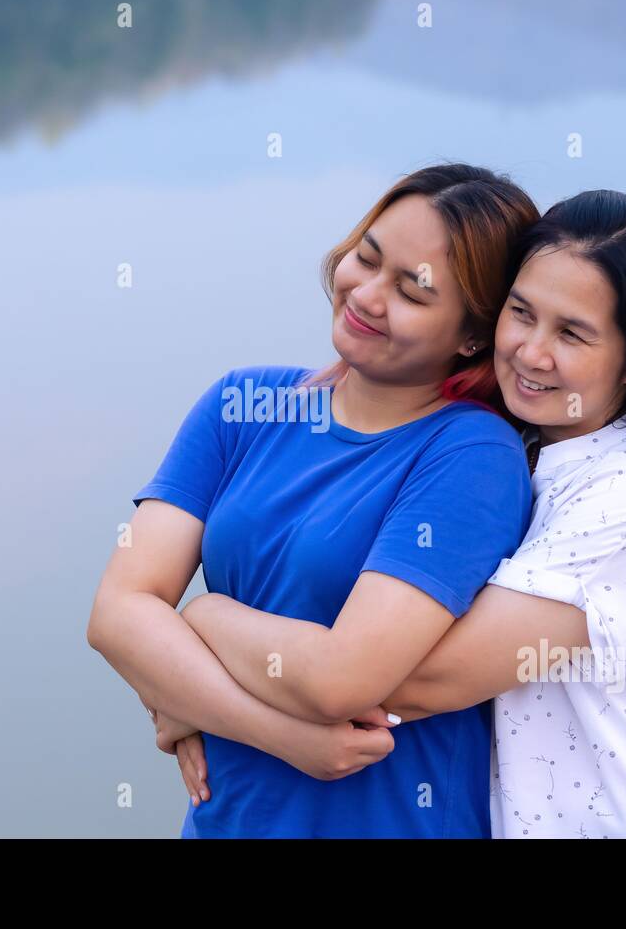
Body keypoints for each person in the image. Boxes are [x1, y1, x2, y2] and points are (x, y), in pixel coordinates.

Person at [88, 163, 540, 837]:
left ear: (473, 335)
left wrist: (200, 621)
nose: (368, 294)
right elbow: (115, 615)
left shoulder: (472, 456)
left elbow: (342, 679)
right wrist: (283, 736)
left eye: (413, 292)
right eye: (367, 256)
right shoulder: (240, 405)